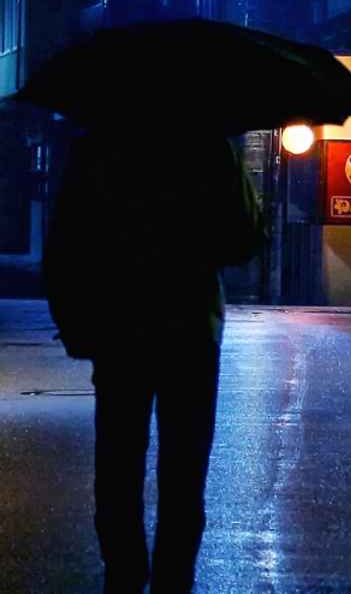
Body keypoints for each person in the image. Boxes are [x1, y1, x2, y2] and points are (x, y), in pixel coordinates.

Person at [44, 130, 265, 594]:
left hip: (119, 324)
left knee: (119, 459)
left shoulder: (102, 143)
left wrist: (73, 321)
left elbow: (66, 237)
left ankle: (123, 572)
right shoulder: (208, 145)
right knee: (185, 466)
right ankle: (173, 577)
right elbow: (244, 239)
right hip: (190, 327)